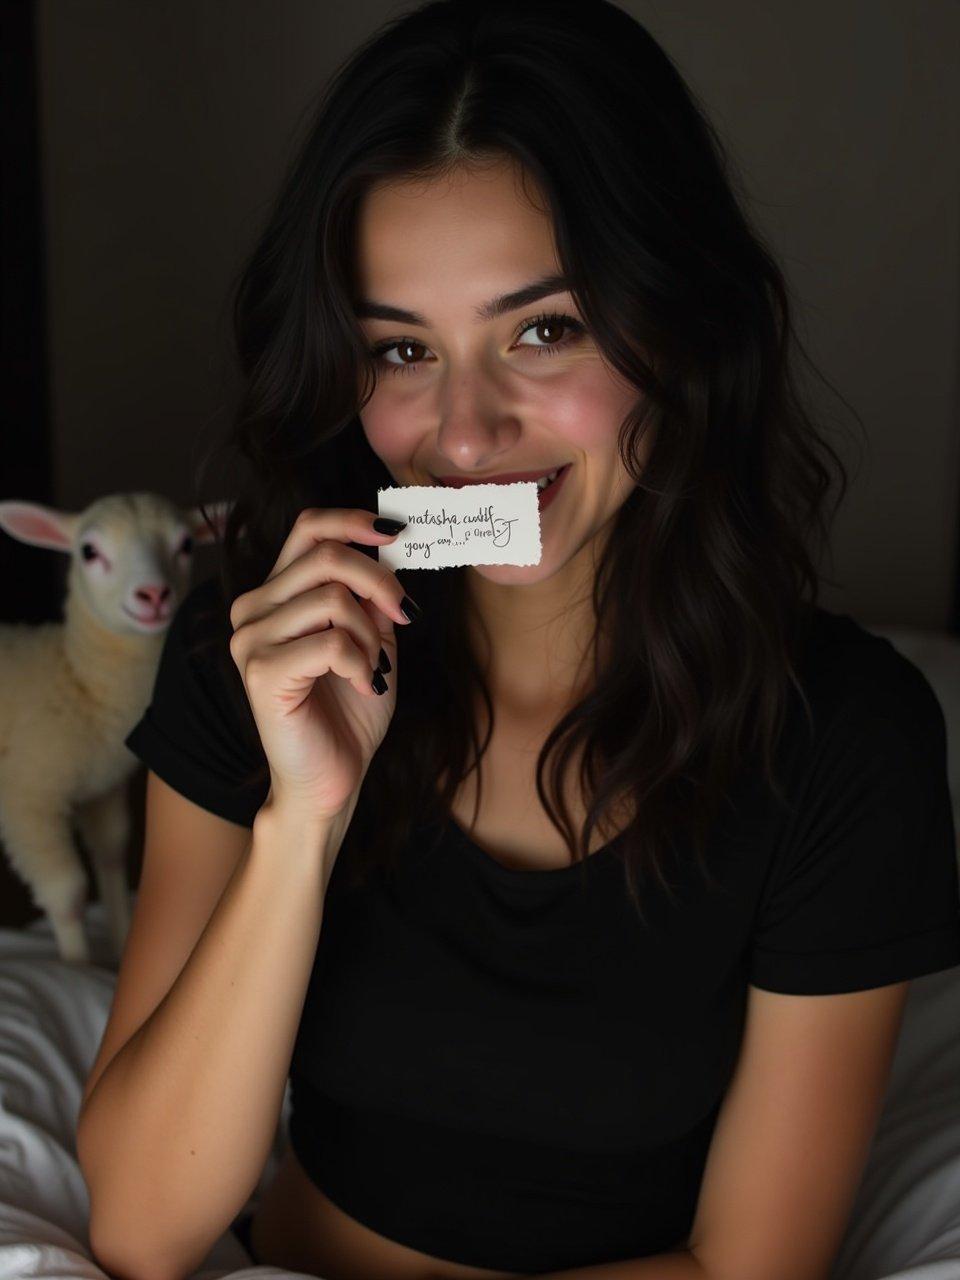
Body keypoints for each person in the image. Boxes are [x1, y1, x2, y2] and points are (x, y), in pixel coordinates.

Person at [77, 2, 960, 1279]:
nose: (469, 433)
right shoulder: (256, 644)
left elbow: (747, 1267)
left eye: (543, 330)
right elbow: (143, 1229)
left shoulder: (846, 740)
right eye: (401, 349)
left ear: (674, 330)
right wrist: (300, 820)